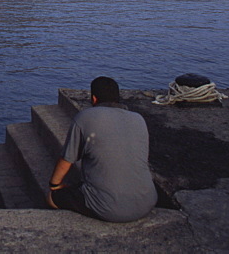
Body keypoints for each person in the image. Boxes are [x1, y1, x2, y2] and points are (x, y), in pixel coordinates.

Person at [46, 76, 157, 222]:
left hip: (110, 210)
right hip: (148, 202)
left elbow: (66, 160)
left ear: (94, 99)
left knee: (52, 198)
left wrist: (54, 185)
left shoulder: (85, 117)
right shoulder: (138, 119)